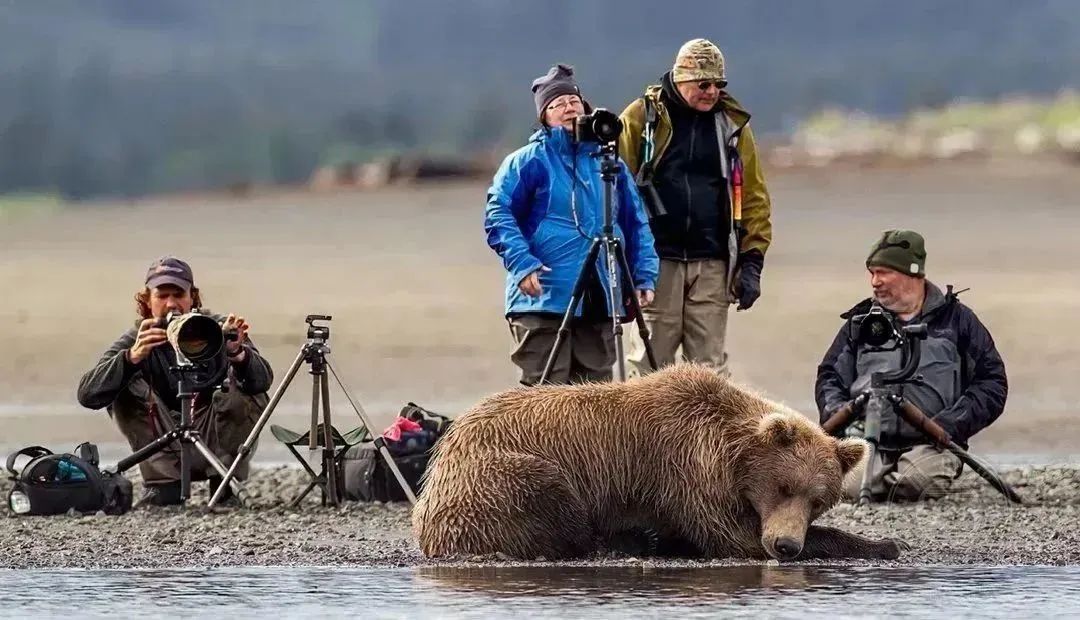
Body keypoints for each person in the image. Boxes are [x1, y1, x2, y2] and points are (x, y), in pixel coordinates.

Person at [484, 63, 660, 386]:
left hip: (600, 297)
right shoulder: (529, 160)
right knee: (546, 401)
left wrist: (643, 274)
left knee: (595, 404)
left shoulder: (609, 163)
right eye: (558, 104)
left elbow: (635, 223)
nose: (568, 108)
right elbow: (498, 213)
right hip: (545, 297)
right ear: (544, 116)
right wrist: (522, 264)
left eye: (573, 101)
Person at [618, 38, 773, 378]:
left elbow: (754, 196)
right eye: (704, 84)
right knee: (648, 367)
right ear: (681, 79)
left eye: (719, 84)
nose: (712, 92)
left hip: (713, 262)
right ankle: (641, 433)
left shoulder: (731, 126)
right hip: (656, 262)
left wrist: (752, 261)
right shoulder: (642, 119)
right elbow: (615, 188)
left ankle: (710, 433)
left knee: (710, 372)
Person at [816, 230, 1008, 501]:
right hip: (866, 436)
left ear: (912, 273)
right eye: (871, 273)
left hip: (929, 441)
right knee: (847, 487)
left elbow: (992, 383)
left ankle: (885, 482)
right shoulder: (862, 321)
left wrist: (949, 424)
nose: (875, 282)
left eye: (883, 272)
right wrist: (840, 414)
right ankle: (875, 479)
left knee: (918, 483)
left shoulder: (957, 321)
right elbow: (829, 377)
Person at [77, 256, 274, 505]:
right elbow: (87, 395)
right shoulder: (139, 337)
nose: (171, 304)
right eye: (162, 296)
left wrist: (237, 354)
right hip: (162, 445)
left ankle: (226, 482)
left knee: (246, 382)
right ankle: (164, 485)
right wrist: (130, 359)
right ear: (147, 301)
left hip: (214, 442)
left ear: (193, 298)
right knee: (120, 380)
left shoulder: (215, 328)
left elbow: (263, 382)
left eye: (179, 294)